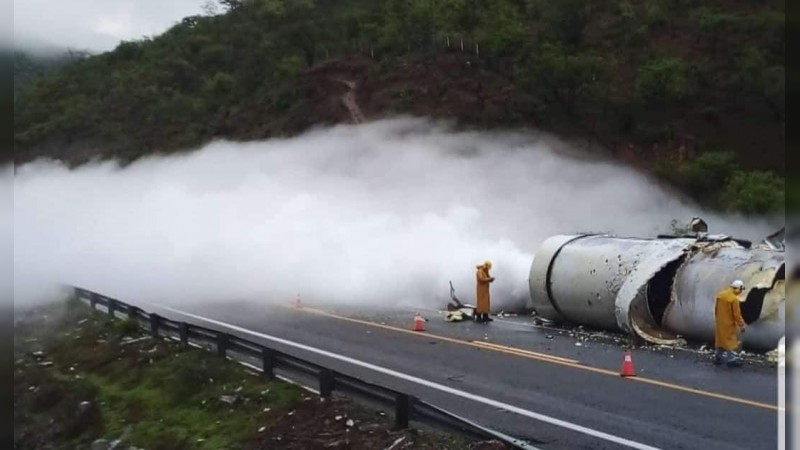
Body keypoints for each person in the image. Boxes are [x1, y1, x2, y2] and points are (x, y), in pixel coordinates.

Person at [714, 280, 747, 367]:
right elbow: (737, 314)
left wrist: (718, 318)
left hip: (720, 322)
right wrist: (742, 325)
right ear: (739, 288)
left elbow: (716, 309)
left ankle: (718, 357)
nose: (741, 292)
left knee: (721, 341)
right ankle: (731, 360)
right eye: (741, 290)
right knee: (730, 343)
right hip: (729, 324)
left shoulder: (720, 295)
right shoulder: (733, 299)